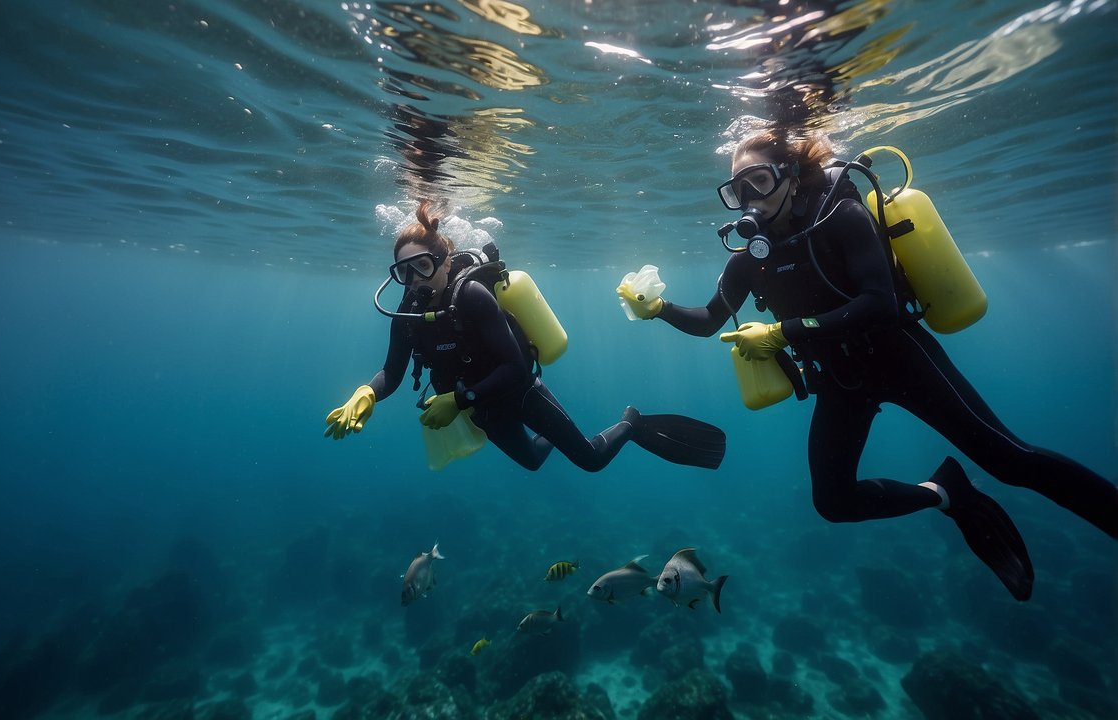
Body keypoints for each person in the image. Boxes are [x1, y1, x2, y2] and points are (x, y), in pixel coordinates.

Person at [618, 128, 1118, 600]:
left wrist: (780, 332)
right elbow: (709, 318)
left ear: (790, 177)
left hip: (900, 356)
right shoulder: (751, 257)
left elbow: (879, 303)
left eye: (761, 182)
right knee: (832, 501)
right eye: (737, 190)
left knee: (1011, 461)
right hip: (841, 380)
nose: (750, 199)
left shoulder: (841, 217)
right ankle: (946, 493)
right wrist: (657, 308)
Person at [325, 200, 727, 472]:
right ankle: (553, 429)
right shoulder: (407, 312)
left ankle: (631, 423)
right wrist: (367, 393)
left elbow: (515, 368)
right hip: (481, 406)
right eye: (403, 272)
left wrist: (459, 398)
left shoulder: (472, 295)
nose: (414, 281)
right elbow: (391, 373)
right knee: (534, 461)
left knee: (589, 459)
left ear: (445, 262)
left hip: (517, 390)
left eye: (423, 266)